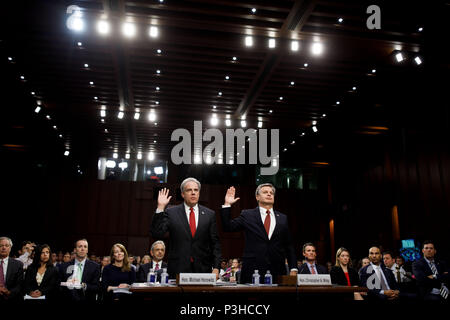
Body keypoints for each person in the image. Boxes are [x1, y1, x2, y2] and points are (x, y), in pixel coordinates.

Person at [220, 184, 298, 284]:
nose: (269, 194)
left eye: (271, 193)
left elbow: (289, 246)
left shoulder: (283, 218)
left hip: (277, 271)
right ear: (257, 197)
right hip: (253, 270)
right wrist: (227, 204)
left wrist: (293, 268)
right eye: (265, 192)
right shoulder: (248, 215)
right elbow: (227, 227)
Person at [150, 178, 221, 279]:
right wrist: (160, 208)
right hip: (177, 269)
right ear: (183, 194)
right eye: (189, 190)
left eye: (196, 190)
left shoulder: (209, 214)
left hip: (202, 270)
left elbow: (215, 244)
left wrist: (217, 267)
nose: (193, 193)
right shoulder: (171, 212)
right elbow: (156, 233)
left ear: (199, 193)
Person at [0, 237, 24, 302]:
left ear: (10, 248)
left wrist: (9, 292)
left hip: (11, 298)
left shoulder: (18, 264)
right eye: (1, 245)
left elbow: (20, 284)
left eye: (6, 245)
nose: (4, 248)